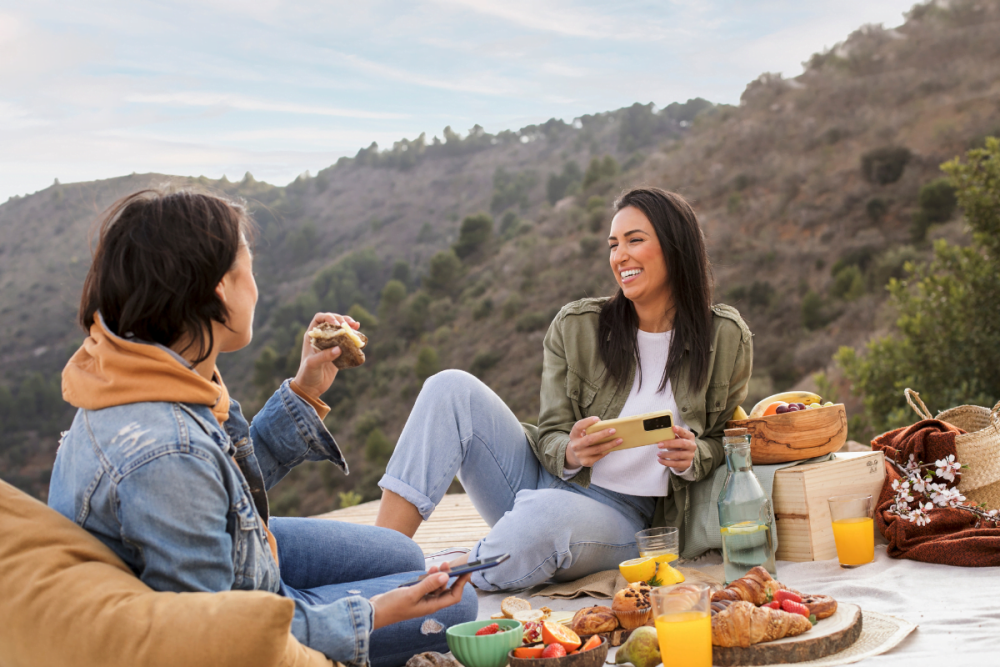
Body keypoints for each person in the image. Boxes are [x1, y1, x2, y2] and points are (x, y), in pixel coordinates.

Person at [47, 190, 476, 667]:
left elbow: (223, 486)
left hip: (239, 561)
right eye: (248, 268)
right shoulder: (167, 452)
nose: (257, 286)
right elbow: (221, 637)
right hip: (229, 617)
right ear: (219, 289)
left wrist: (304, 389)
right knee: (461, 604)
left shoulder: (145, 373)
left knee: (399, 555)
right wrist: (374, 613)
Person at [376, 187, 753, 591]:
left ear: (675, 248)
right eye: (613, 245)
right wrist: (571, 452)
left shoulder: (726, 338)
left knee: (546, 517)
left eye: (635, 240)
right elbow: (552, 429)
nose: (619, 256)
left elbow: (724, 440)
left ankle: (429, 581)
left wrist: (692, 457)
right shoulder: (578, 326)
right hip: (542, 477)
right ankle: (378, 560)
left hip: (624, 517)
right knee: (449, 387)